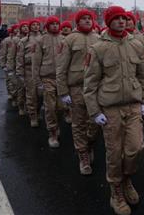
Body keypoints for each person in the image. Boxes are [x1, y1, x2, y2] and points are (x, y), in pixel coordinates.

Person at [84, 6, 144, 215]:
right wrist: (95, 112)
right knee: (114, 152)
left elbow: (143, 76)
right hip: (110, 109)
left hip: (133, 105)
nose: (122, 21)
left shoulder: (136, 44)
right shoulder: (98, 48)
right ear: (108, 21)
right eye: (117, 18)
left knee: (136, 148)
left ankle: (127, 178)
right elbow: (90, 84)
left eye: (124, 18)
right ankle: (116, 191)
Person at [56, 9, 99, 175]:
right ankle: (83, 155)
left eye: (90, 18)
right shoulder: (69, 40)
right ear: (78, 22)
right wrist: (63, 92)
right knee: (79, 122)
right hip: (76, 88)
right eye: (84, 19)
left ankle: (89, 145)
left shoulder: (98, 38)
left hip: (95, 88)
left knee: (95, 123)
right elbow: (61, 68)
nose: (88, 21)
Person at [32, 16, 63, 148]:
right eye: (52, 24)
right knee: (50, 107)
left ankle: (56, 125)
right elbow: (35, 62)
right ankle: (52, 133)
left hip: (62, 79)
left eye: (57, 24)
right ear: (47, 26)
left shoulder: (65, 40)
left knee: (61, 107)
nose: (55, 26)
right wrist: (37, 81)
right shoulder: (40, 40)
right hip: (47, 78)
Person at [16, 19, 42, 127]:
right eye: (33, 25)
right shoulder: (24, 41)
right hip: (29, 70)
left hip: (41, 71)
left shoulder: (43, 38)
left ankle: (38, 111)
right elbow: (19, 58)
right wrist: (19, 72)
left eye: (37, 25)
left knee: (41, 95)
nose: (35, 26)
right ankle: (33, 116)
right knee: (31, 95)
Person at [7, 21, 28, 115]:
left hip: (30, 68)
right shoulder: (15, 40)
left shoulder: (31, 39)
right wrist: (10, 68)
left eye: (27, 26)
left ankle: (29, 107)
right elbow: (11, 55)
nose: (26, 28)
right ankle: (21, 106)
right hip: (18, 66)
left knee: (30, 90)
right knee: (20, 88)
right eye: (24, 26)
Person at [0, 25, 20, 106]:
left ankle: (17, 96)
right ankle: (11, 94)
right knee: (10, 81)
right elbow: (2, 53)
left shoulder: (20, 39)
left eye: (18, 29)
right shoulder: (6, 40)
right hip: (9, 63)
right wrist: (3, 64)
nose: (17, 30)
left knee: (17, 82)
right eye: (16, 29)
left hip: (18, 63)